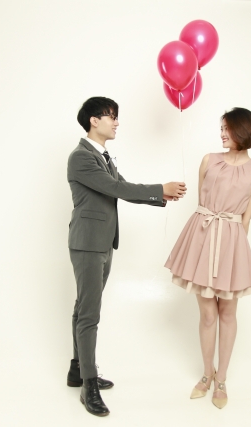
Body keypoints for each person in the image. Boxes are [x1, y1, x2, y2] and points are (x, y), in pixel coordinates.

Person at [66, 96, 186, 417]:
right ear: (94, 120)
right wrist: (160, 187)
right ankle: (88, 384)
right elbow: (117, 189)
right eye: (111, 116)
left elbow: (122, 186)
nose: (117, 122)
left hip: (102, 242)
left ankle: (78, 369)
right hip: (88, 243)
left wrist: (160, 196)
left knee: (83, 308)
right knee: (89, 314)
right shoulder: (81, 157)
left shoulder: (102, 156)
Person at [164, 107, 251, 409]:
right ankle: (206, 373)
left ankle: (221, 378)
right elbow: (202, 205)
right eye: (221, 128)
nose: (221, 133)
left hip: (231, 243)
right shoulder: (208, 160)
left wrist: (232, 256)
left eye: (227, 129)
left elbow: (246, 219)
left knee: (228, 313)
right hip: (202, 237)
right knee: (208, 314)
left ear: (243, 130)